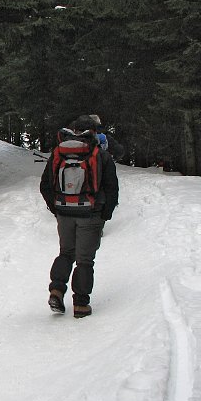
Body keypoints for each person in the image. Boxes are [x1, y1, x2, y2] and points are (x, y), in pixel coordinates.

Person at [39, 115, 119, 318]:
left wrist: (56, 208)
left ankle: (56, 290)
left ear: (74, 130)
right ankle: (81, 305)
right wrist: (104, 215)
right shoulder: (100, 154)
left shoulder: (60, 152)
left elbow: (45, 185)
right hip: (90, 213)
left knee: (66, 253)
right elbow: (112, 188)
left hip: (64, 212)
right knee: (84, 260)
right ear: (94, 131)